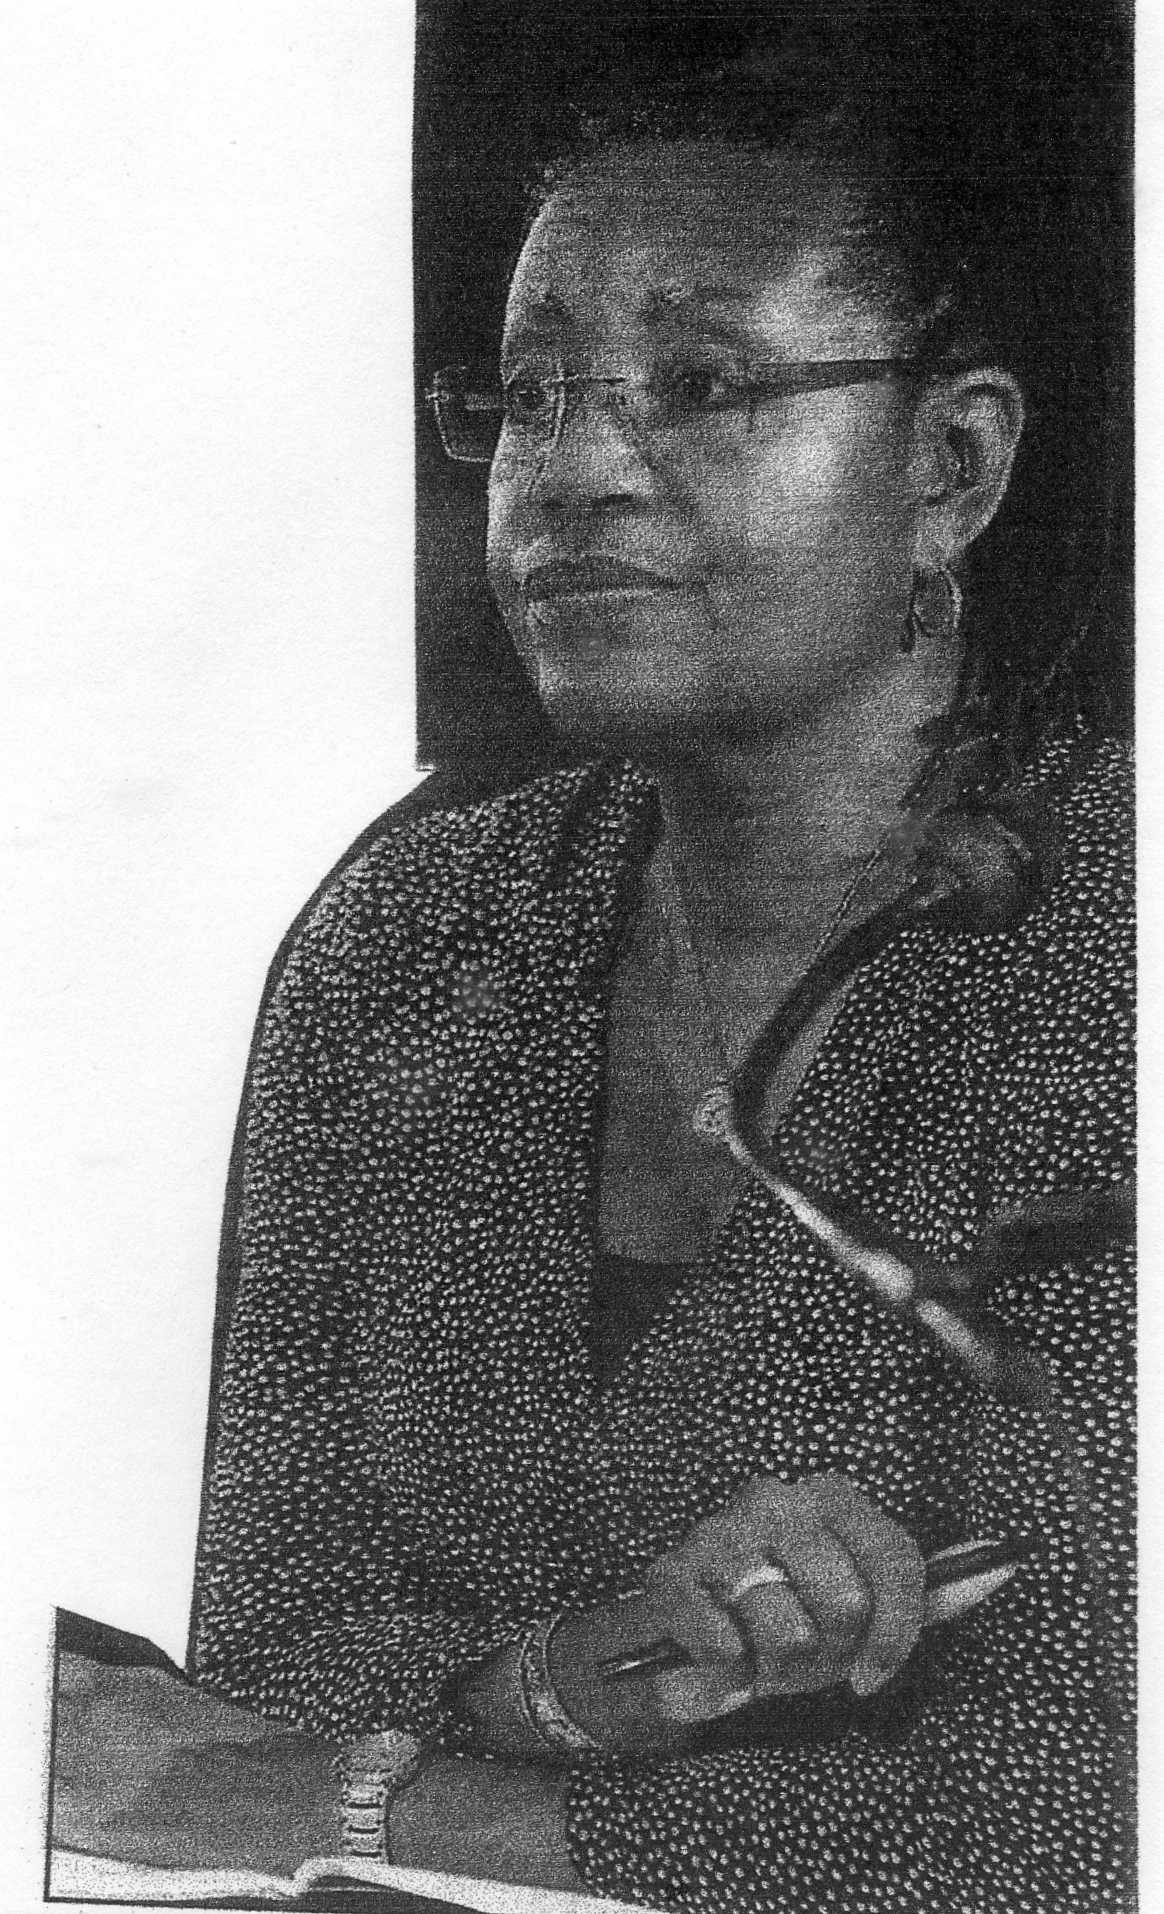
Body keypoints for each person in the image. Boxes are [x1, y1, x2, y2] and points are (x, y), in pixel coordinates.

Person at [55, 49, 1133, 1914]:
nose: (571, 474)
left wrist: (349, 1797)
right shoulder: (411, 937)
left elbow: (1083, 1816)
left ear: (953, 466)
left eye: (700, 387)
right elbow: (264, 1630)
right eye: (529, 395)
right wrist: (556, 1680)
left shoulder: (1111, 952)